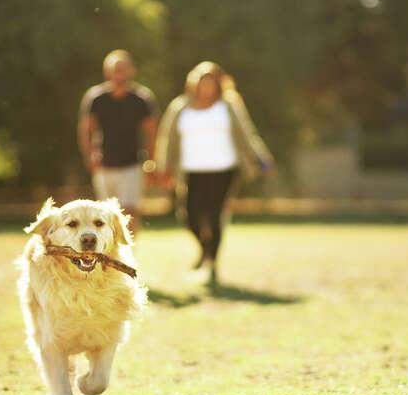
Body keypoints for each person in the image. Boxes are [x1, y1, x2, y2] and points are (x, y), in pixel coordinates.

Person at [154, 61, 274, 283]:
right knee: (189, 215)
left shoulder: (228, 106)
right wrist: (163, 167)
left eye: (211, 82)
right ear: (195, 83)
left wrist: (262, 157)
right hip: (191, 169)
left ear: (218, 84)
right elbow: (167, 138)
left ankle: (212, 263)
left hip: (223, 168)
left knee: (215, 214)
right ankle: (205, 249)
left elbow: (247, 133)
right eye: (203, 82)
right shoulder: (180, 107)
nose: (207, 86)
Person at [78, 49, 158, 235]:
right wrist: (89, 156)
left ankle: (129, 249)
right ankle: (108, 249)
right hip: (104, 165)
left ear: (132, 71)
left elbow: (152, 133)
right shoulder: (96, 98)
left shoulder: (142, 99)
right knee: (104, 214)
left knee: (130, 211)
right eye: (115, 70)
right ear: (107, 72)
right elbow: (86, 130)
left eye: (123, 69)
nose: (119, 74)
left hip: (132, 164)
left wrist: (151, 161)